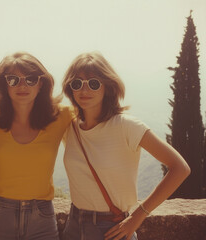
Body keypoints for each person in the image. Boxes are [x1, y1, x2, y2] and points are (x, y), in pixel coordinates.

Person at [61, 51, 190, 240]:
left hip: (111, 229)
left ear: (108, 87)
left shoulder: (127, 126)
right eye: (77, 83)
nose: (84, 90)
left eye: (94, 83)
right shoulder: (70, 128)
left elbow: (180, 168)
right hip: (73, 226)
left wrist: (138, 216)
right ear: (70, 88)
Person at [0, 52, 74, 240]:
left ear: (41, 84)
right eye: (13, 79)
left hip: (41, 216)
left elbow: (96, 128)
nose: (22, 85)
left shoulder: (61, 116)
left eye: (31, 79)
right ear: (4, 85)